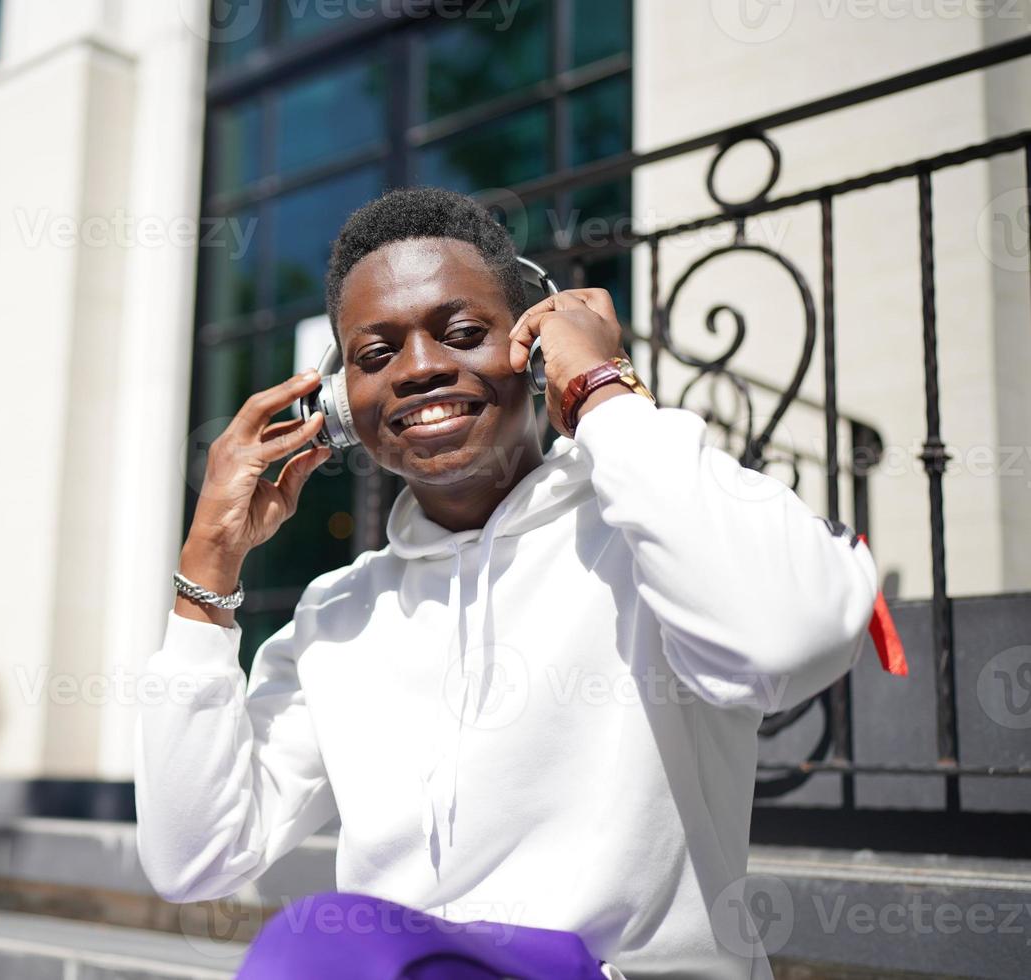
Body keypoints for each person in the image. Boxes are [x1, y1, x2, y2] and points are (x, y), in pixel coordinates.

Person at [134, 187, 880, 979]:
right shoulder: (338, 617)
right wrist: (208, 563)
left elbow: (784, 643)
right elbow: (196, 859)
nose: (419, 369)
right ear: (342, 407)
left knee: (314, 941)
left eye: (461, 333)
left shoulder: (658, 533)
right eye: (375, 355)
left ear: (532, 347)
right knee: (326, 944)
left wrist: (601, 388)